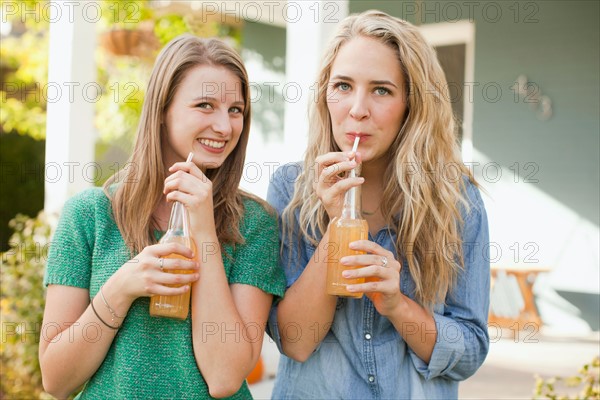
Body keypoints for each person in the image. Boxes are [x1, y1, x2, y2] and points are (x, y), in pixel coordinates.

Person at [39, 34, 285, 399]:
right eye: (205, 105)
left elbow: (224, 378)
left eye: (235, 110)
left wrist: (202, 230)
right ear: (163, 109)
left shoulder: (255, 224)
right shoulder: (89, 216)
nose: (225, 126)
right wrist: (120, 289)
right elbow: (57, 381)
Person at [267, 10, 490, 399]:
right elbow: (295, 342)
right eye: (343, 86)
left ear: (411, 105)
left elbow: (469, 351)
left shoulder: (456, 200)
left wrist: (397, 304)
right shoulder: (291, 189)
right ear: (325, 96)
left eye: (381, 90)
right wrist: (337, 226)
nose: (357, 109)